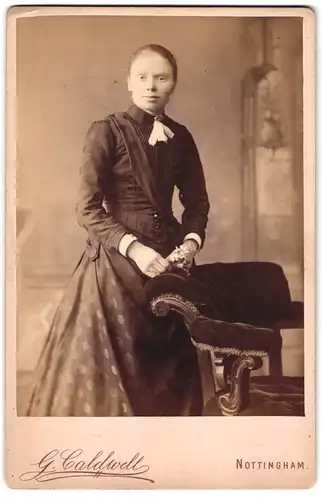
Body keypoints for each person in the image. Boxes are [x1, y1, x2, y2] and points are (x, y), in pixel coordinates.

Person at [27, 44, 210, 417]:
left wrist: (190, 242)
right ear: (128, 82)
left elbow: (197, 203)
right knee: (115, 377)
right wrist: (135, 248)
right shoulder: (106, 132)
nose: (151, 85)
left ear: (173, 84)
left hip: (169, 267)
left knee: (171, 376)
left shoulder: (181, 137)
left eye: (162, 77)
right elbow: (87, 208)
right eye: (142, 77)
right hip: (114, 269)